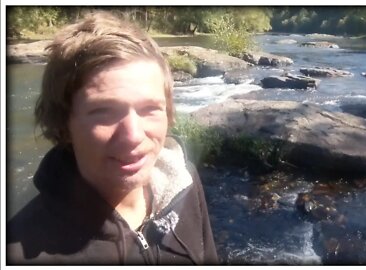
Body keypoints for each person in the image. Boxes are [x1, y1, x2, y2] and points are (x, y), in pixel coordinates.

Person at [7, 11, 218, 265]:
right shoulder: (20, 252)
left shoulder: (185, 183)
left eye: (150, 109)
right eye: (104, 113)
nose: (133, 136)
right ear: (64, 125)